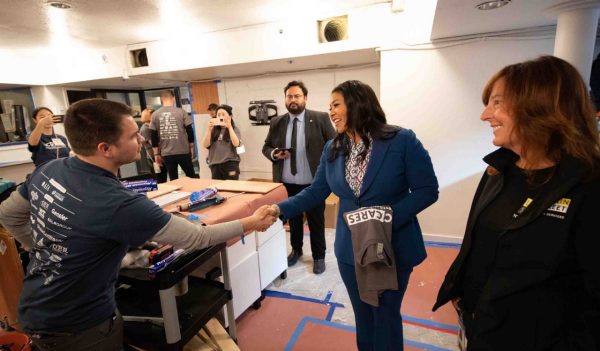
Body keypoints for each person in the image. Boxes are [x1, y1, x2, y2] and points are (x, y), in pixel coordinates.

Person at [0, 98, 277, 351]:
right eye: (133, 136)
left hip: (36, 306)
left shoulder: (47, 170)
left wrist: (46, 249)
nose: (142, 141)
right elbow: (196, 238)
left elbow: (8, 215)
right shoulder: (117, 202)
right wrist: (252, 221)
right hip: (82, 326)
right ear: (105, 148)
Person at [433, 56, 600, 350]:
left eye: (497, 102)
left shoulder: (588, 186)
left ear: (540, 105)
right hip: (480, 330)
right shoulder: (498, 170)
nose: (485, 115)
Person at [270, 80, 439, 350]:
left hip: (391, 248)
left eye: (336, 105)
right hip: (351, 250)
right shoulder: (333, 148)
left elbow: (427, 190)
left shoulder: (401, 140)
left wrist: (385, 217)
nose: (331, 112)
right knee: (363, 316)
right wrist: (279, 209)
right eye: (330, 107)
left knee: (384, 315)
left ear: (358, 103)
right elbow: (316, 192)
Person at [262, 80, 336, 274]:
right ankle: (296, 250)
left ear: (305, 98)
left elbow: (336, 145)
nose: (293, 100)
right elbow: (266, 146)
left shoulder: (320, 118)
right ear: (285, 99)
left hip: (313, 185)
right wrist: (273, 153)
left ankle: (319, 256)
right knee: (292, 220)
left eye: (297, 96)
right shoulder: (277, 122)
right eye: (289, 96)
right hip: (287, 183)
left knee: (316, 221)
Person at [149, 89, 196, 180]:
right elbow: (189, 130)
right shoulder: (181, 112)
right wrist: (191, 147)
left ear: (161, 99)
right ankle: (197, 193)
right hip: (183, 150)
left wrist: (156, 154)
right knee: (191, 176)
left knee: (173, 179)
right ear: (173, 98)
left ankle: (176, 194)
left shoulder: (155, 114)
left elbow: (153, 135)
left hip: (167, 153)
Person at [202, 104, 242, 180]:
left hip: (230, 164)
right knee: (218, 189)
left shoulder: (234, 129)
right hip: (215, 165)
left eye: (223, 114)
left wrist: (229, 127)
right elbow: (205, 145)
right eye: (218, 115)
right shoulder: (213, 130)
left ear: (230, 116)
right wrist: (209, 130)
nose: (220, 117)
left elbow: (236, 144)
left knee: (231, 189)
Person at [139, 108, 167, 183]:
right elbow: (153, 143)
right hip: (154, 156)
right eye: (153, 114)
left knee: (162, 176)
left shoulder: (150, 126)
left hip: (157, 155)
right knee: (160, 178)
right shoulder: (145, 129)